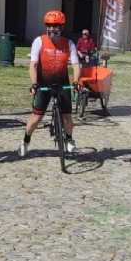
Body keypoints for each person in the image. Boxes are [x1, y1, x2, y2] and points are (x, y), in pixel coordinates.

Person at [19, 10, 83, 157]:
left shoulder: (69, 44)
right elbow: (33, 65)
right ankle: (25, 141)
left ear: (61, 27)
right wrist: (34, 84)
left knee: (67, 116)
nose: (52, 28)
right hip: (43, 83)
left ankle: (69, 139)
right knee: (36, 118)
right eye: (49, 25)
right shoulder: (39, 41)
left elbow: (76, 65)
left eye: (55, 26)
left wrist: (75, 82)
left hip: (62, 83)